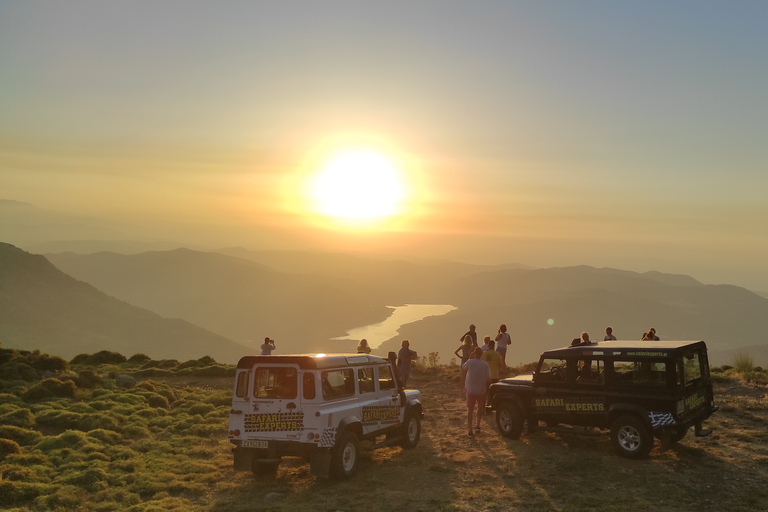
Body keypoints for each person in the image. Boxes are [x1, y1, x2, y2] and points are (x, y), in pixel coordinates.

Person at [462, 347, 491, 437]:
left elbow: (463, 367)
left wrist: (470, 357)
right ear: (481, 354)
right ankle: (477, 425)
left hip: (470, 390)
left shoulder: (470, 362)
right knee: (480, 408)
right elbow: (488, 378)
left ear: (474, 353)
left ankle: (470, 430)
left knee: (470, 410)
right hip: (481, 390)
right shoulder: (485, 364)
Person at [481, 340, 502, 406]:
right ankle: (489, 407)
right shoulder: (497, 354)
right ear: (494, 346)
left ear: (488, 346)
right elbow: (500, 365)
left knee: (484, 393)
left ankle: (482, 407)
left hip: (485, 377)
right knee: (493, 394)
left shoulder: (484, 354)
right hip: (494, 376)